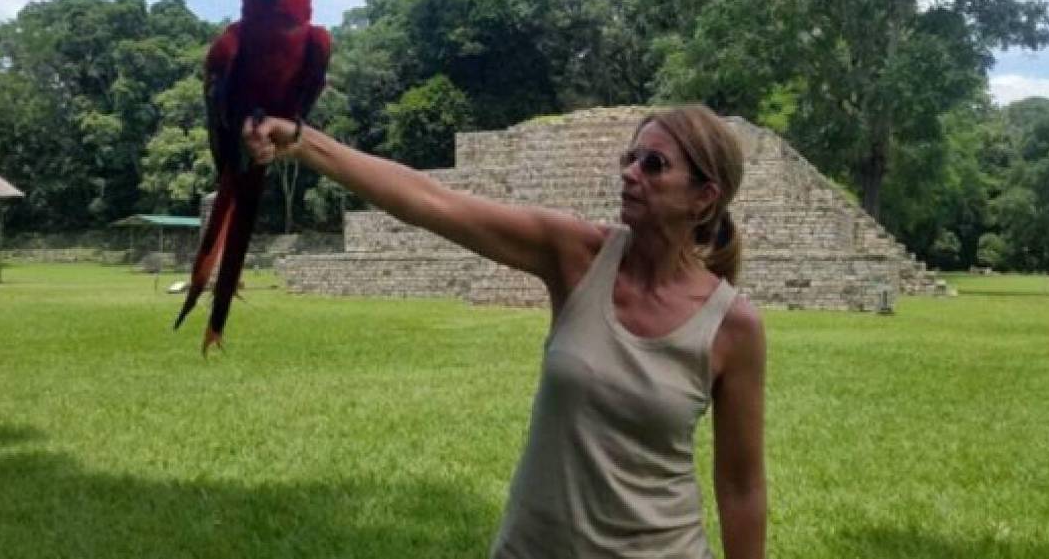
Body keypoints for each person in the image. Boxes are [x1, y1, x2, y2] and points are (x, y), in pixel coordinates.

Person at [244, 104, 767, 559]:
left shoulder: (732, 326)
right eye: (628, 158)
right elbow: (431, 202)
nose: (630, 172)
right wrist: (302, 141)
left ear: (704, 198)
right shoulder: (578, 255)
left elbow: (741, 487)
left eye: (653, 164)